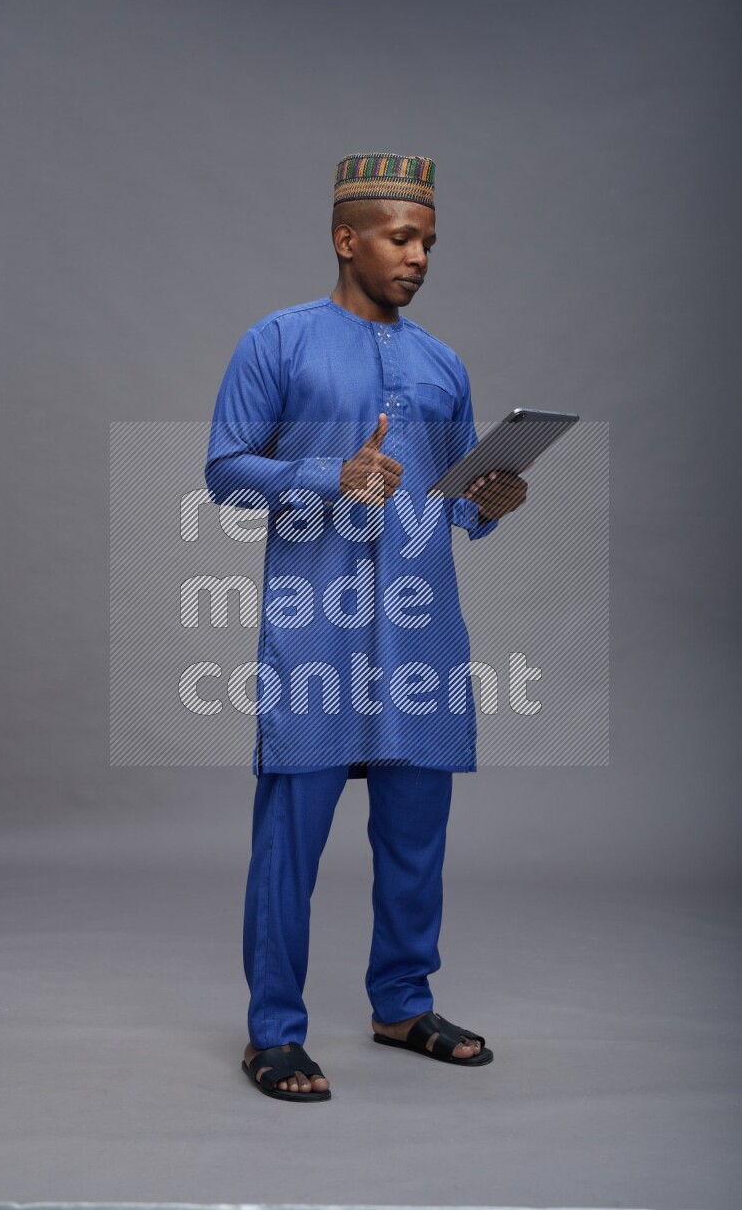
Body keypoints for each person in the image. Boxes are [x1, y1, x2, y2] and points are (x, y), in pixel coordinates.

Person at [205, 151, 527, 1102]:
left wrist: (493, 498)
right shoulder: (279, 341)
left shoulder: (441, 361)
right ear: (347, 239)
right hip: (315, 629)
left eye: (427, 239)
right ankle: (273, 1032)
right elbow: (224, 469)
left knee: (416, 835)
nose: (418, 255)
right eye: (400, 236)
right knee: (290, 841)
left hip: (419, 633)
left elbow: (454, 502)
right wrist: (324, 475)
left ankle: (400, 1002)